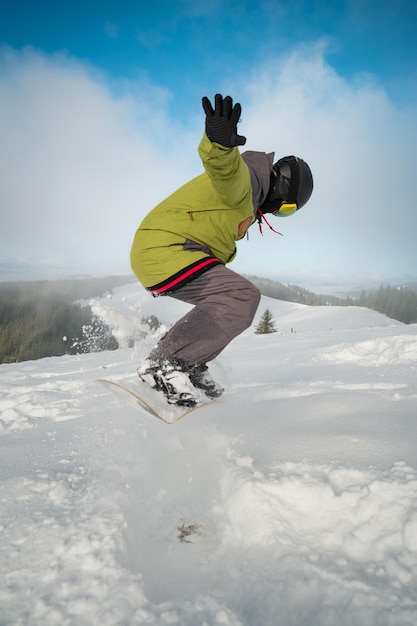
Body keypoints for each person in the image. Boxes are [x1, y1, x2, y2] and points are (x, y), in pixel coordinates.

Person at [130, 94, 313, 406]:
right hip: (165, 248)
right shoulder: (247, 186)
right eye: (286, 209)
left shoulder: (248, 197)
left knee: (230, 301)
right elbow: (225, 168)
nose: (276, 214)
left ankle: (186, 361)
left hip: (169, 251)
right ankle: (165, 364)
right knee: (240, 296)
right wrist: (219, 143)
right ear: (282, 187)